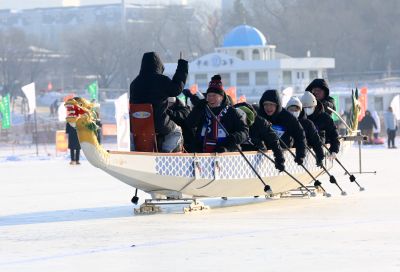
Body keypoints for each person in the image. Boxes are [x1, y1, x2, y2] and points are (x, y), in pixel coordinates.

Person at [129, 52, 188, 152]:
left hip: (138, 124)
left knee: (135, 134)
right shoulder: (161, 80)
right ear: (159, 65)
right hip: (159, 123)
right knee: (177, 131)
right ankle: (165, 154)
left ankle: (136, 152)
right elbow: (177, 89)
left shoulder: (134, 83)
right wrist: (182, 66)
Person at [185, 75, 248, 153]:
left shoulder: (232, 112)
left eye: (214, 96)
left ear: (221, 97)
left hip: (225, 153)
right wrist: (197, 109)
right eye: (209, 96)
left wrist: (235, 138)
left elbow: (244, 132)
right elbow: (189, 124)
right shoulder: (203, 109)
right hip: (202, 154)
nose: (211, 98)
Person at [258, 89, 306, 165]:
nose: (268, 108)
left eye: (271, 105)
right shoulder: (259, 116)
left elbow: (300, 135)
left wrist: (300, 155)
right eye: (266, 104)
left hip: (284, 149)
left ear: (277, 105)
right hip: (265, 151)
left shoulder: (287, 117)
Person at [234, 102, 285, 172]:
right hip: (237, 155)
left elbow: (274, 141)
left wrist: (280, 160)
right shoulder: (231, 120)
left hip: (257, 153)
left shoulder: (260, 122)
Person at [286, 96, 325, 167]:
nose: (294, 112)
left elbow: (316, 141)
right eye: (291, 110)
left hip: (302, 153)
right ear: (287, 110)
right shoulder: (283, 122)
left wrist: (320, 156)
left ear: (300, 110)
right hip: (287, 151)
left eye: (296, 110)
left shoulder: (307, 123)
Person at [301, 91, 340, 158]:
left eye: (309, 107)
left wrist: (334, 149)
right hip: (301, 153)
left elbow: (333, 133)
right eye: (304, 108)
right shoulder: (299, 117)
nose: (307, 110)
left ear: (315, 106)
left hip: (321, 152)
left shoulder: (324, 117)